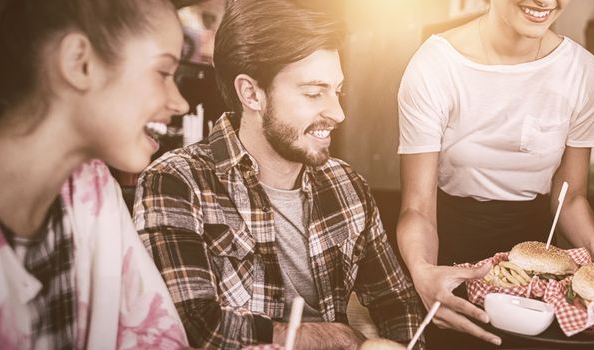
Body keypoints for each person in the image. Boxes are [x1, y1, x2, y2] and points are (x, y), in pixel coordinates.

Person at [132, 1, 425, 349]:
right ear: (251, 93)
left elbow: (397, 302)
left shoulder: (347, 186)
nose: (338, 112)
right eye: (314, 93)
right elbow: (197, 326)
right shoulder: (176, 182)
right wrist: (339, 338)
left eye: (338, 91)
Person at [0, 0, 189, 348]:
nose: (181, 103)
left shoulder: (93, 191)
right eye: (162, 73)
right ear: (79, 63)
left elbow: (158, 337)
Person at [395, 0, 594, 347]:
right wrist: (423, 272)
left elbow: (570, 197)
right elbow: (417, 207)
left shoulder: (582, 72)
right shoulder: (436, 66)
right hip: (450, 252)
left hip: (539, 264)